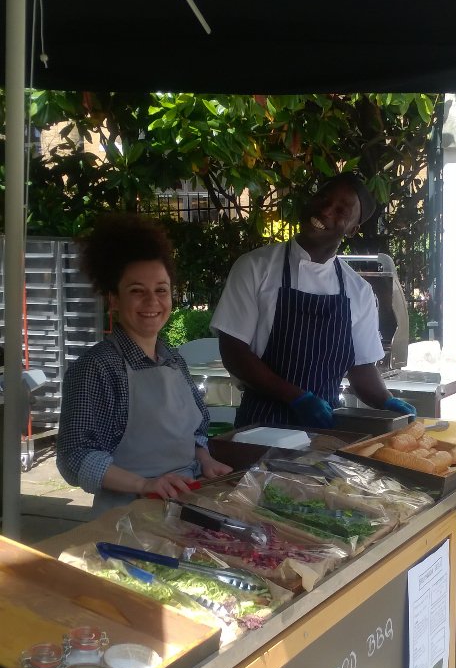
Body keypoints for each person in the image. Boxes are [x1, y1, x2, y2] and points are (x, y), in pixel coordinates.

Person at [57, 214, 232, 517]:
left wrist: (204, 459)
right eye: (137, 290)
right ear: (113, 299)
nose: (152, 301)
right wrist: (144, 484)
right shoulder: (96, 367)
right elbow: (75, 457)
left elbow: (196, 430)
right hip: (128, 519)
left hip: (187, 503)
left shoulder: (174, 359)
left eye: (161, 289)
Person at [211, 172, 416, 428]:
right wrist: (297, 397)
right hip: (261, 426)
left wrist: (387, 401)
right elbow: (233, 352)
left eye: (341, 209)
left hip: (325, 427)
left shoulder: (358, 291)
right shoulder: (255, 267)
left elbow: (361, 368)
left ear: (353, 229)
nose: (326, 209)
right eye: (323, 197)